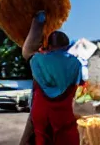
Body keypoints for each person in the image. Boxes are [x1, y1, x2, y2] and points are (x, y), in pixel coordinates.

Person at [19, 10, 84, 145]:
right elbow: (75, 87)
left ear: (49, 45)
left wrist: (38, 21)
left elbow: (27, 52)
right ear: (66, 46)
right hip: (64, 113)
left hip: (42, 112)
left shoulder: (37, 59)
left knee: (41, 139)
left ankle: (39, 18)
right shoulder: (76, 63)